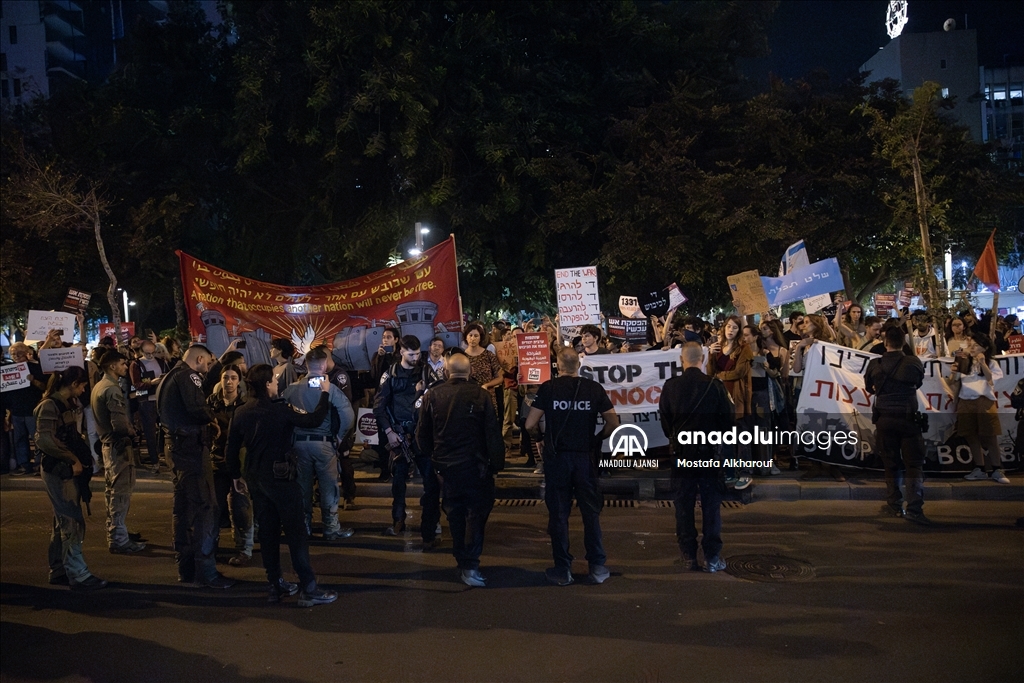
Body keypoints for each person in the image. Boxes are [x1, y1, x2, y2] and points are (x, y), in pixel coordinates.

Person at [225, 364, 338, 607]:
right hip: (282, 478)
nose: (277, 384)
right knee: (296, 533)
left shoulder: (241, 412)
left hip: (256, 479)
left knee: (268, 533)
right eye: (274, 381)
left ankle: (274, 584)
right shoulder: (280, 411)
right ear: (266, 385)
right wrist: (325, 393)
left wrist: (236, 477)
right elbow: (314, 419)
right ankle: (308, 587)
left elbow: (231, 449)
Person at [525, 347, 619, 586]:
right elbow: (613, 421)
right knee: (591, 513)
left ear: (557, 365)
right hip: (585, 458)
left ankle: (562, 568)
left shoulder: (548, 388)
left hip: (557, 459)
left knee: (558, 515)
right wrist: (597, 439)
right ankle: (597, 566)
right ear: (579, 365)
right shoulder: (593, 388)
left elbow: (529, 424)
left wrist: (541, 439)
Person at [416, 353, 505, 584]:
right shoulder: (481, 395)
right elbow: (492, 433)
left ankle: (461, 559)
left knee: (455, 514)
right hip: (476, 466)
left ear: (447, 371)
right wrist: (496, 464)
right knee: (475, 515)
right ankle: (470, 564)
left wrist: (433, 458)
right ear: (470, 372)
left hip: (446, 467)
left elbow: (422, 435)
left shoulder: (432, 395)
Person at [156, 344, 234, 588]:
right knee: (205, 508)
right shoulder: (188, 376)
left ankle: (186, 567)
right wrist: (211, 419)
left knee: (184, 508)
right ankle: (206, 572)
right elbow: (197, 407)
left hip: (176, 448)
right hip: (190, 449)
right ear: (199, 359)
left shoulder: (170, 376)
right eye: (208, 363)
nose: (208, 367)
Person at [659, 342, 731, 571]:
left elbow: (665, 423)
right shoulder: (715, 386)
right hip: (709, 453)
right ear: (704, 359)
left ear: (682, 360)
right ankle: (712, 557)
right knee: (711, 506)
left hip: (682, 454)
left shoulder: (671, 387)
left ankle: (688, 555)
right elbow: (728, 423)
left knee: (683, 504)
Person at [34, 366, 107, 590]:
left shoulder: (68, 404)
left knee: (62, 521)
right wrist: (71, 459)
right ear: (74, 384)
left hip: (66, 469)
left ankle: (58, 569)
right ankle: (78, 573)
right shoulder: (50, 405)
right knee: (72, 522)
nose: (84, 389)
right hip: (59, 471)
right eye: (83, 385)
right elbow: (44, 440)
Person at [373, 335, 442, 543]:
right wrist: (388, 432)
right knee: (398, 481)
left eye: (417, 353)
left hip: (422, 434)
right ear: (401, 351)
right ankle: (398, 519)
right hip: (399, 434)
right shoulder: (390, 374)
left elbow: (437, 398)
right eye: (410, 353)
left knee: (431, 480)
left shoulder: (425, 371)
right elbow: (379, 407)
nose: (415, 357)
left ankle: (431, 521)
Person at [282, 347, 355, 541]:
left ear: (306, 365)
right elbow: (348, 416)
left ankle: (305, 527)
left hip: (299, 446)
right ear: (323, 365)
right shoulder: (330, 389)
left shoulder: (292, 389)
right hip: (324, 445)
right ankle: (330, 528)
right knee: (328, 488)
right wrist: (339, 437)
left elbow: (280, 414)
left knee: (302, 488)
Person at [864, 326, 929, 524]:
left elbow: (869, 388)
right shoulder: (913, 362)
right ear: (904, 343)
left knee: (891, 464)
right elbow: (918, 383)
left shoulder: (875, 364)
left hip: (884, 419)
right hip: (908, 419)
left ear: (885, 343)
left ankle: (894, 505)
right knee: (914, 464)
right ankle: (914, 509)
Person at [91, 350, 146, 554]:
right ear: (113, 366)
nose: (125, 367)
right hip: (118, 447)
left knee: (112, 492)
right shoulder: (111, 389)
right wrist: (131, 431)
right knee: (120, 494)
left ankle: (117, 531)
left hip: (108, 446)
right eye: (122, 364)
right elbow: (120, 425)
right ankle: (118, 538)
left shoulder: (99, 386)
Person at [207, 365, 254, 567]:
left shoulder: (245, 405)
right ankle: (211, 547)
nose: (229, 382)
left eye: (233, 378)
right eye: (225, 377)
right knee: (214, 506)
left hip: (239, 462)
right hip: (217, 461)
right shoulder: (212, 403)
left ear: (239, 381)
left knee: (241, 507)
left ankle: (244, 548)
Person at [950, 333, 1010, 485]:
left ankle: (997, 468)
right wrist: (954, 372)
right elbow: (954, 382)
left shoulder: (991, 363)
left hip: (984, 401)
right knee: (970, 435)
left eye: (976, 345)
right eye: (972, 345)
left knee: (990, 435)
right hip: (965, 400)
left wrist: (983, 363)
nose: (972, 348)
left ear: (986, 348)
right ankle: (980, 468)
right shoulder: (964, 361)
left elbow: (991, 380)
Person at [708, 315, 753, 490]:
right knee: (725, 435)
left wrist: (720, 377)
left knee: (741, 435)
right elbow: (710, 371)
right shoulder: (718, 347)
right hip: (720, 396)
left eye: (735, 327)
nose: (730, 330)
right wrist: (711, 355)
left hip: (737, 395)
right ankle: (728, 471)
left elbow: (739, 372)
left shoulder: (744, 348)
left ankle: (745, 472)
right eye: (728, 326)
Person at [3, 342, 47, 475]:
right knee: (20, 439)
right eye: (13, 354)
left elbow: (44, 387)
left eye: (19, 353)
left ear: (26, 354)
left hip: (32, 410)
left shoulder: (35, 368)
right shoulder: (9, 369)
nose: (16, 356)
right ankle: (25, 465)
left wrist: (33, 380)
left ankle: (39, 464)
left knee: (37, 438)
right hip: (16, 411)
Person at [129, 340, 169, 468]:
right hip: (146, 401)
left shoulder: (161, 362)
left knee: (166, 429)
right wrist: (151, 383)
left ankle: (164, 455)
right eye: (147, 353)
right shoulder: (136, 364)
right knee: (150, 432)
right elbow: (136, 385)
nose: (151, 356)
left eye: (153, 353)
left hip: (160, 400)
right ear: (141, 352)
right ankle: (154, 460)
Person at [463, 323, 504, 419]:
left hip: (487, 397)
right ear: (466, 337)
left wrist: (487, 385)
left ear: (480, 338)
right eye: (470, 335)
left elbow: (500, 377)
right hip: (468, 398)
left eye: (476, 336)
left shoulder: (488, 355)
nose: (473, 338)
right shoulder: (462, 356)